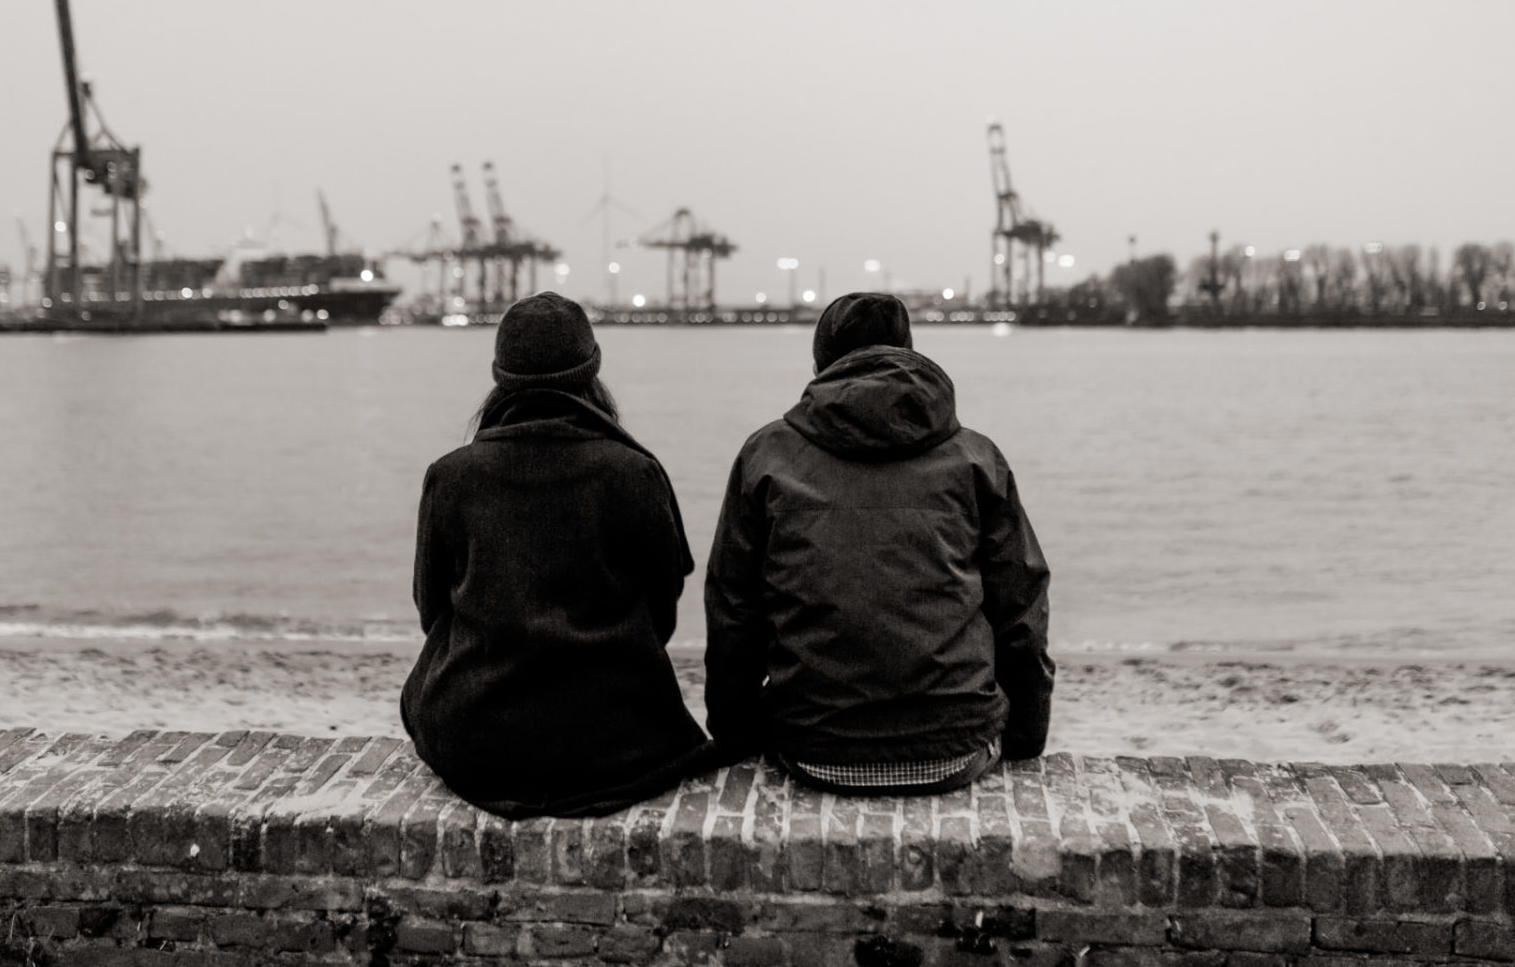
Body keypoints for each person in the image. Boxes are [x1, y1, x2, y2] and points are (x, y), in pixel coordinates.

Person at [704, 292, 1053, 793]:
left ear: (822, 360)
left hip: (811, 747)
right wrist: (1026, 733)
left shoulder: (767, 455)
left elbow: (733, 609)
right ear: (909, 351)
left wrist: (735, 734)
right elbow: (1020, 604)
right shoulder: (975, 458)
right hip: (955, 747)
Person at [401, 291, 713, 817]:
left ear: (501, 375)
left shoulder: (451, 475)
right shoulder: (634, 472)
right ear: (591, 370)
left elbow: (431, 608)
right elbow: (663, 606)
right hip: (617, 738)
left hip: (477, 737)